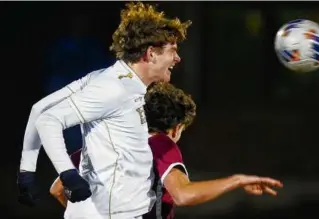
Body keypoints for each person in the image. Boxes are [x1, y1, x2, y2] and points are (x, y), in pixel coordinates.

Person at [17, 2, 192, 219]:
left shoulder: (114, 80)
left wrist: (26, 172)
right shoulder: (114, 89)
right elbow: (48, 119)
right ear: (151, 53)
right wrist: (68, 174)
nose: (178, 58)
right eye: (172, 51)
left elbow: (39, 108)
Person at [50, 82, 283, 219]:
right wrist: (236, 180)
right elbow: (183, 194)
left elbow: (57, 189)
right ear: (176, 128)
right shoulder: (160, 144)